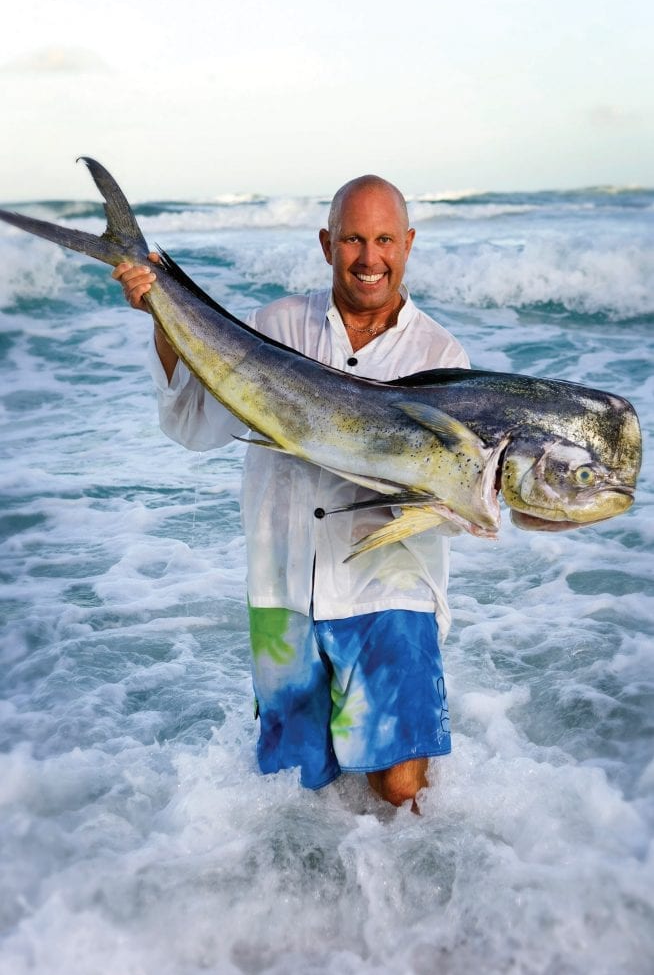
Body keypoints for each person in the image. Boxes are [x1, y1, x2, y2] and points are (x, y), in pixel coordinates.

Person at [112, 175, 469, 808]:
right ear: (326, 242)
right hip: (285, 590)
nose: (369, 258)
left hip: (390, 587)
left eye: (384, 239)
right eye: (353, 239)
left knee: (401, 790)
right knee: (301, 796)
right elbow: (194, 424)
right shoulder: (273, 326)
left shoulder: (441, 356)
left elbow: (458, 500)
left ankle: (415, 904)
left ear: (408, 244)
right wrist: (165, 317)